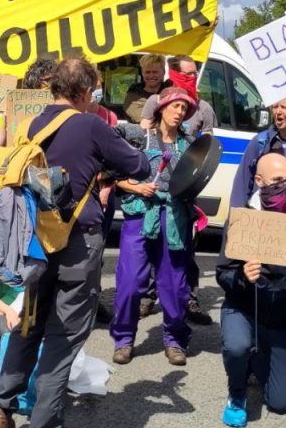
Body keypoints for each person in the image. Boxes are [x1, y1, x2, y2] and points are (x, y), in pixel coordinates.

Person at [0, 56, 150, 428]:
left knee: (28, 325)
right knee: (62, 337)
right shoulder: (91, 126)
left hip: (34, 242)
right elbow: (138, 166)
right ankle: (44, 421)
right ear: (81, 91)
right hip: (77, 242)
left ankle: (1, 409)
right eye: (92, 89)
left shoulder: (28, 124)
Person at [218, 152, 286, 426]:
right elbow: (222, 273)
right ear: (259, 180)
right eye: (277, 181)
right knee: (237, 346)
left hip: (279, 320)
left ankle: (257, 361)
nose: (284, 186)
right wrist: (241, 276)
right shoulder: (242, 218)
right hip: (242, 310)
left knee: (283, 404)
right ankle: (236, 394)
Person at [111, 87, 200, 367]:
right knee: (129, 282)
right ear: (161, 108)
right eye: (175, 106)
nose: (179, 112)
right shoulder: (139, 136)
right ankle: (124, 339)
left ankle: (174, 339)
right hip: (140, 215)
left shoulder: (190, 145)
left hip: (175, 218)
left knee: (174, 285)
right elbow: (114, 176)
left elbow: (197, 182)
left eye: (184, 109)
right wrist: (136, 187)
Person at [138, 55, 217, 325]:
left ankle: (189, 298)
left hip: (184, 191)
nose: (192, 78)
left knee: (185, 249)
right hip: (156, 189)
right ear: (173, 73)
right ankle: (148, 295)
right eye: (187, 74)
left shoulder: (204, 108)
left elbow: (207, 148)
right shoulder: (154, 101)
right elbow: (145, 135)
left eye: (195, 74)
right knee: (151, 243)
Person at [122, 53, 168, 123]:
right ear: (142, 73)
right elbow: (146, 121)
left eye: (155, 72)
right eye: (147, 72)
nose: (151, 75)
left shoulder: (169, 91)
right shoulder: (133, 96)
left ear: (163, 72)